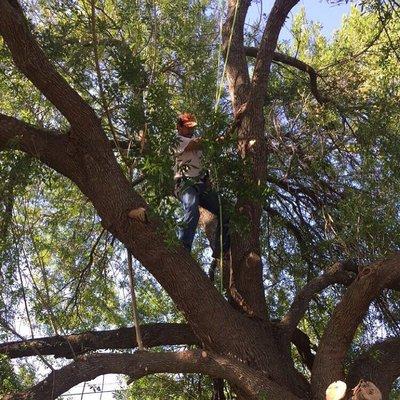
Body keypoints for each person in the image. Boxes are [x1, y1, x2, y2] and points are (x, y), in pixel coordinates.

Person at [174, 112, 230, 258]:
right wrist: (216, 139)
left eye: (192, 127)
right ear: (179, 128)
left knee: (226, 210)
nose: (190, 130)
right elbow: (196, 144)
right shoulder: (177, 140)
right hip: (185, 183)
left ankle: (220, 249)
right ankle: (183, 249)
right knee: (192, 209)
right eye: (187, 127)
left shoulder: (196, 141)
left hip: (201, 185)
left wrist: (207, 178)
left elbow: (200, 162)